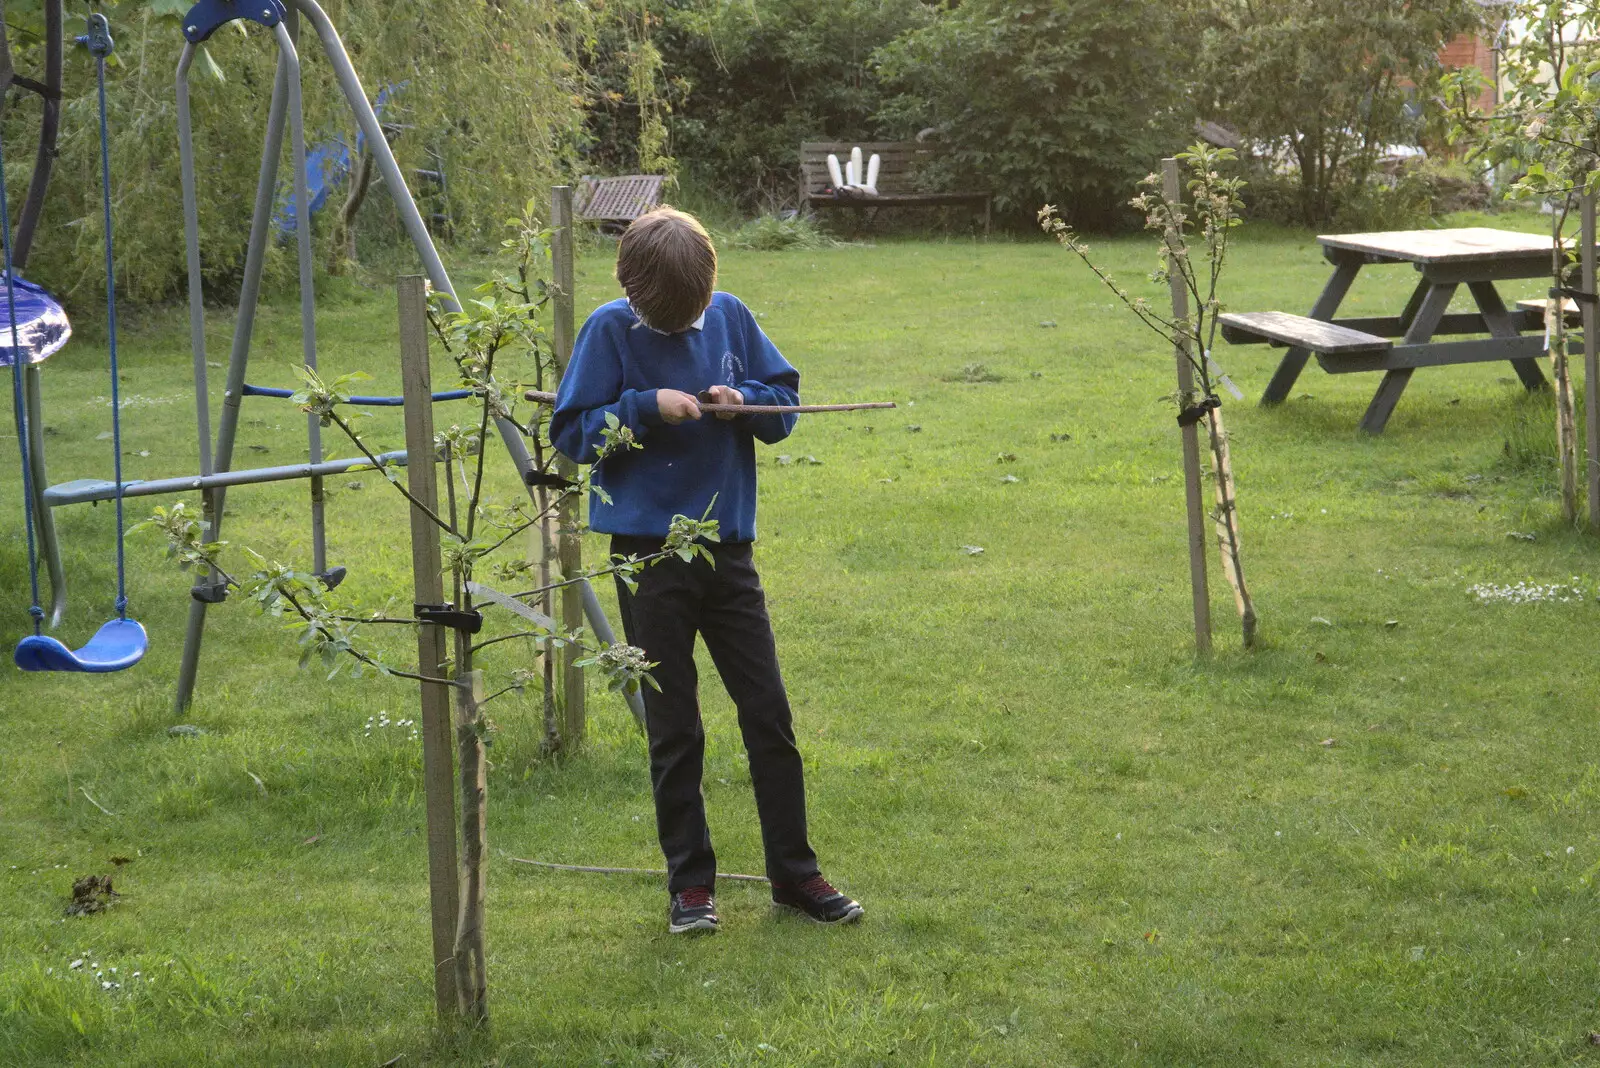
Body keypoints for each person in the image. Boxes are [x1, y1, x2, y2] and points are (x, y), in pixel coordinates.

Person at [550, 206, 863, 935]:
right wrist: (644, 407)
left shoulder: (729, 319)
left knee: (768, 714)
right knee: (675, 724)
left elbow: (784, 408)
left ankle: (795, 874)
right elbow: (570, 431)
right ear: (631, 292)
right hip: (648, 556)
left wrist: (742, 402)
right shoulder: (608, 331)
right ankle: (691, 885)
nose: (683, 333)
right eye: (667, 325)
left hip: (726, 547)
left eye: (689, 320)